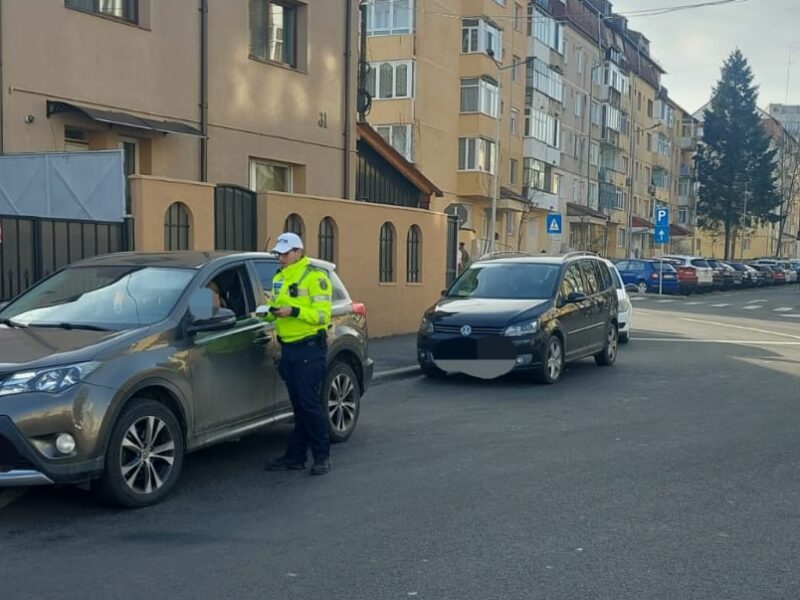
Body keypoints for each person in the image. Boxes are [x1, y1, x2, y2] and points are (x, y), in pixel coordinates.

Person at [260, 232, 333, 476]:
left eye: (285, 253)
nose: (280, 257)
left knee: (310, 405)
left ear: (298, 251)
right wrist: (266, 312)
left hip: (309, 349)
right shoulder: (279, 277)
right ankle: (296, 457)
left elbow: (323, 315)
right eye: (279, 253)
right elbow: (277, 308)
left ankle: (322, 456)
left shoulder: (315, 277)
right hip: (289, 349)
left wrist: (294, 311)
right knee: (299, 407)